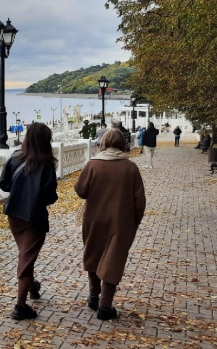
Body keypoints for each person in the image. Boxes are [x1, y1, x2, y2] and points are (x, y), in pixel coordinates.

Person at [74, 129, 146, 320]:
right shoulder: (130, 168)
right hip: (121, 222)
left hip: (94, 219)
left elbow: (81, 190)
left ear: (103, 143)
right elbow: (140, 200)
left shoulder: (92, 164)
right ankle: (105, 306)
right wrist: (135, 221)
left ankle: (93, 296)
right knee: (113, 260)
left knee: (93, 254)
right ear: (122, 143)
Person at [0, 123, 59, 320]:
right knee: (26, 259)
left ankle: (33, 287)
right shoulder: (47, 164)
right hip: (34, 218)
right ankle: (20, 307)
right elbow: (50, 197)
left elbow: (4, 184)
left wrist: (21, 190)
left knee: (26, 255)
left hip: (15, 216)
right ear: (45, 141)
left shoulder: (15, 158)